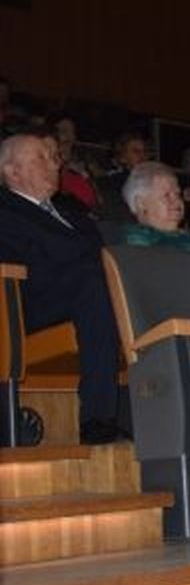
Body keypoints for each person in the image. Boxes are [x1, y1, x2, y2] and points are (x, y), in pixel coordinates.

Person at [0, 133, 122, 443]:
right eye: (41, 158)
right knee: (93, 282)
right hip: (25, 307)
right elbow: (24, 270)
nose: (54, 165)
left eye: (53, 158)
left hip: (87, 293)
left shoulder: (74, 215)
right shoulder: (5, 212)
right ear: (12, 171)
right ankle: (98, 418)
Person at [118, 162, 190, 254]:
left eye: (178, 194)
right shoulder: (137, 241)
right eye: (166, 195)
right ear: (141, 204)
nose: (177, 201)